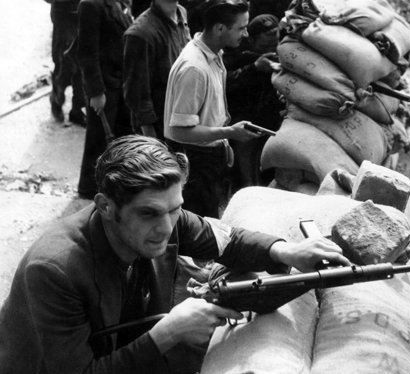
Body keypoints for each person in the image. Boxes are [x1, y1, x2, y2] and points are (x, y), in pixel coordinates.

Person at [0, 135, 349, 374]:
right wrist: (171, 330)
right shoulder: (54, 269)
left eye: (174, 210)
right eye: (149, 214)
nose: (167, 227)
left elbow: (229, 241)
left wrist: (287, 250)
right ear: (105, 207)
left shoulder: (165, 216)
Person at [164, 0, 261, 218]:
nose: (246, 34)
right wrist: (230, 132)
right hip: (196, 160)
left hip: (208, 154)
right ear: (219, 28)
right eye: (241, 28)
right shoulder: (195, 68)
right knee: (198, 223)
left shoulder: (212, 53)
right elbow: (179, 130)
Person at [76, 0, 135, 199]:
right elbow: (86, 53)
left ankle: (109, 187)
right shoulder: (92, 2)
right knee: (99, 140)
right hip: (105, 85)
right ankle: (88, 190)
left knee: (118, 136)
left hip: (119, 81)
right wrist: (96, 92)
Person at [124, 0, 190, 139]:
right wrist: (151, 140)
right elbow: (137, 94)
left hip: (183, 116)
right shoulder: (141, 33)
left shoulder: (181, 13)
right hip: (160, 127)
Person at [223, 14, 283, 187]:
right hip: (244, 125)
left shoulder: (284, 54)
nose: (271, 50)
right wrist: (254, 68)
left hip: (271, 125)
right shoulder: (235, 54)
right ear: (251, 41)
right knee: (246, 179)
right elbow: (224, 83)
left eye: (275, 44)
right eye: (265, 46)